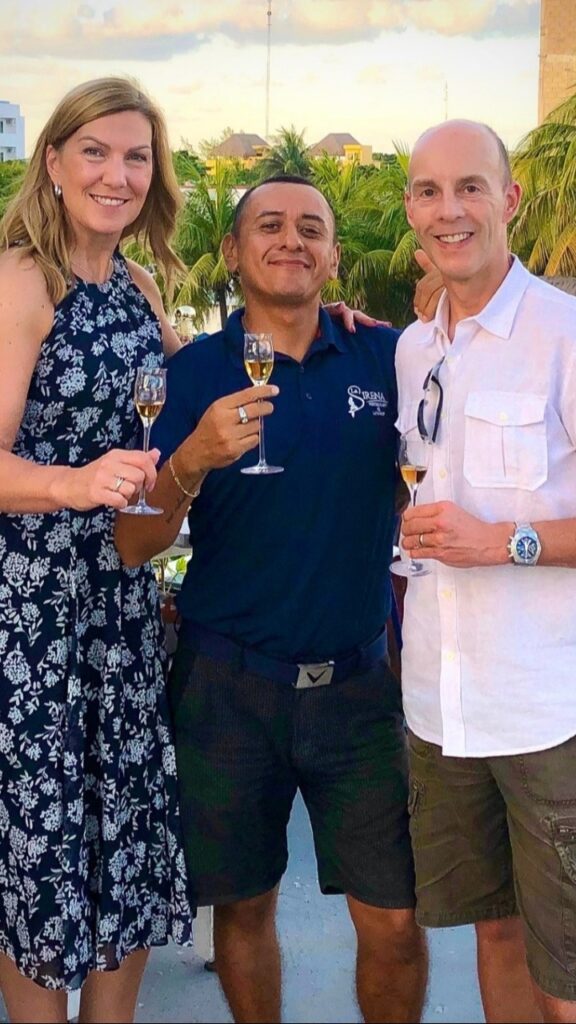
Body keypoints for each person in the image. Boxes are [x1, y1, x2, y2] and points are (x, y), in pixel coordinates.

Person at [116, 174, 429, 1024]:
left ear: (332, 255)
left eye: (310, 228)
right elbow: (133, 543)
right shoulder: (189, 376)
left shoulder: (386, 356)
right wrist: (190, 461)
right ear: (233, 252)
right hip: (228, 692)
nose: (291, 239)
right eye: (269, 225)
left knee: (396, 922)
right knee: (245, 911)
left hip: (360, 693)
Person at [0, 77, 196, 1023]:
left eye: (137, 157)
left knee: (125, 843)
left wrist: (331, 325)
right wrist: (71, 484)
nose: (117, 175)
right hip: (30, 617)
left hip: (116, 605)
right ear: (54, 161)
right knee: (40, 865)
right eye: (97, 152)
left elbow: (192, 390)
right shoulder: (21, 280)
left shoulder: (138, 287)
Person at [396, 119, 576, 1024]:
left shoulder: (563, 332)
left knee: (570, 969)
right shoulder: (411, 348)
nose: (449, 209)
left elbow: (498, 531)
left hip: (549, 713)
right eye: (429, 191)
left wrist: (507, 540)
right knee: (494, 936)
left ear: (506, 200)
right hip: (440, 709)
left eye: (470, 187)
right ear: (411, 211)